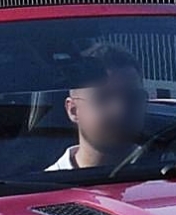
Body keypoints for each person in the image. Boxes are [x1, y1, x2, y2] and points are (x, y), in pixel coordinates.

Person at [45, 43, 149, 171]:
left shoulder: (169, 177)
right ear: (73, 110)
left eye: (133, 97)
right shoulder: (47, 187)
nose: (120, 109)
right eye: (103, 98)